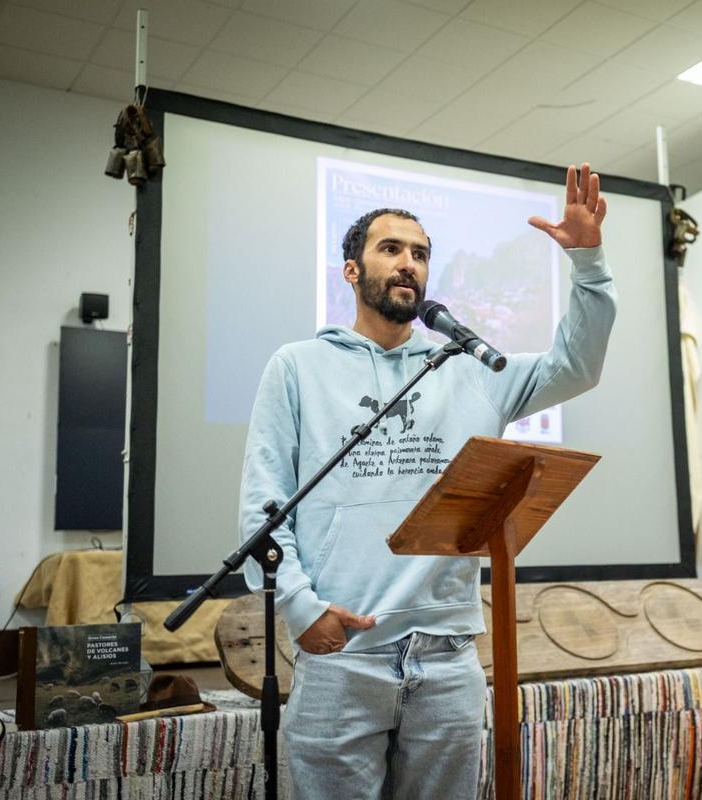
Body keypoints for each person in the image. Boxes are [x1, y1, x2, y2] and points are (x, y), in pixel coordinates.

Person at [238, 163, 614, 799]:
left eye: (419, 253)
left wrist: (588, 263)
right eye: (390, 249)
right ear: (351, 270)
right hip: (342, 653)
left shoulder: (473, 366)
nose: (408, 263)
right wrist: (301, 608)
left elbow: (577, 365)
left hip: (447, 659)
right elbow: (264, 504)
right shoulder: (297, 367)